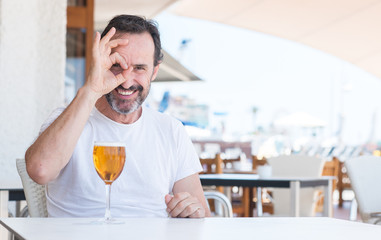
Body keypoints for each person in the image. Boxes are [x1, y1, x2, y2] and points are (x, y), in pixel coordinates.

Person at [25, 15, 210, 218]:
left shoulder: (171, 130)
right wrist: (92, 88)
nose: (126, 81)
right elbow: (40, 170)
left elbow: (200, 213)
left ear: (154, 71)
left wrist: (193, 210)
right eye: (116, 65)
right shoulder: (67, 119)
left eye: (139, 68)